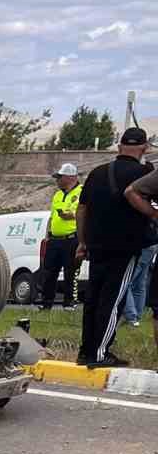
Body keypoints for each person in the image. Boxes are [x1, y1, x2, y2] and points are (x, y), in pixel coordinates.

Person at [74, 127, 153, 367]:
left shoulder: (98, 173)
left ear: (119, 148)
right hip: (126, 247)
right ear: (144, 148)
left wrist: (82, 241)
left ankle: (85, 350)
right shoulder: (144, 172)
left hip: (96, 245)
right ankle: (100, 353)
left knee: (94, 299)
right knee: (113, 299)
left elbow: (82, 209)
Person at [39, 163, 82, 308]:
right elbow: (52, 217)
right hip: (54, 240)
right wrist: (47, 235)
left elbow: (83, 213)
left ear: (70, 177)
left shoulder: (81, 192)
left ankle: (69, 303)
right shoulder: (57, 194)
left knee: (71, 272)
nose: (57, 180)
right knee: (49, 272)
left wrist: (71, 215)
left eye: (60, 177)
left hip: (71, 239)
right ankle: (46, 304)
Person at [124, 164, 158, 346]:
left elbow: (131, 191)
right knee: (139, 284)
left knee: (132, 282)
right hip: (151, 244)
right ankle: (134, 315)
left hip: (147, 243)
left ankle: (132, 316)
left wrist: (153, 214)